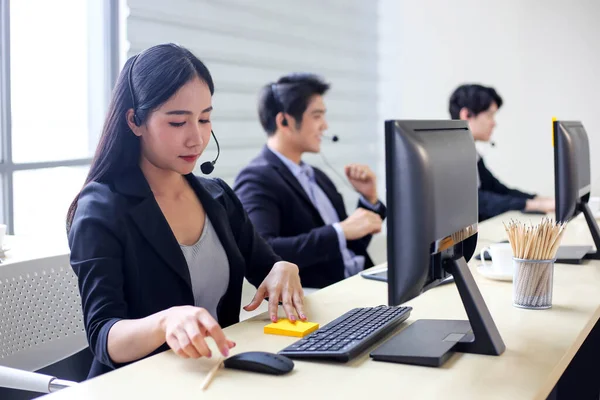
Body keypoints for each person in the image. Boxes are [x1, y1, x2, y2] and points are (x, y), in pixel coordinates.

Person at [66, 44, 305, 379]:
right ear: (135, 121)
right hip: (137, 385)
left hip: (213, 376)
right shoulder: (100, 211)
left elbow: (267, 267)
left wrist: (282, 268)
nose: (197, 138)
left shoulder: (218, 196)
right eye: (178, 122)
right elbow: (104, 337)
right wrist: (165, 322)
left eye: (205, 119)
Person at [233, 73, 386, 289]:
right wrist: (340, 231)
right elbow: (263, 250)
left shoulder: (317, 176)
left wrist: (369, 199)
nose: (325, 126)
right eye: (317, 116)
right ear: (284, 121)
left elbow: (347, 245)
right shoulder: (256, 179)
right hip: (320, 299)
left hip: (358, 286)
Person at [449, 84, 555, 221]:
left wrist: (538, 199)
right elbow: (476, 201)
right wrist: (535, 205)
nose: (493, 123)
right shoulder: (450, 159)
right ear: (467, 115)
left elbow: (497, 189)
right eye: (489, 115)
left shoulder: (470, 153)